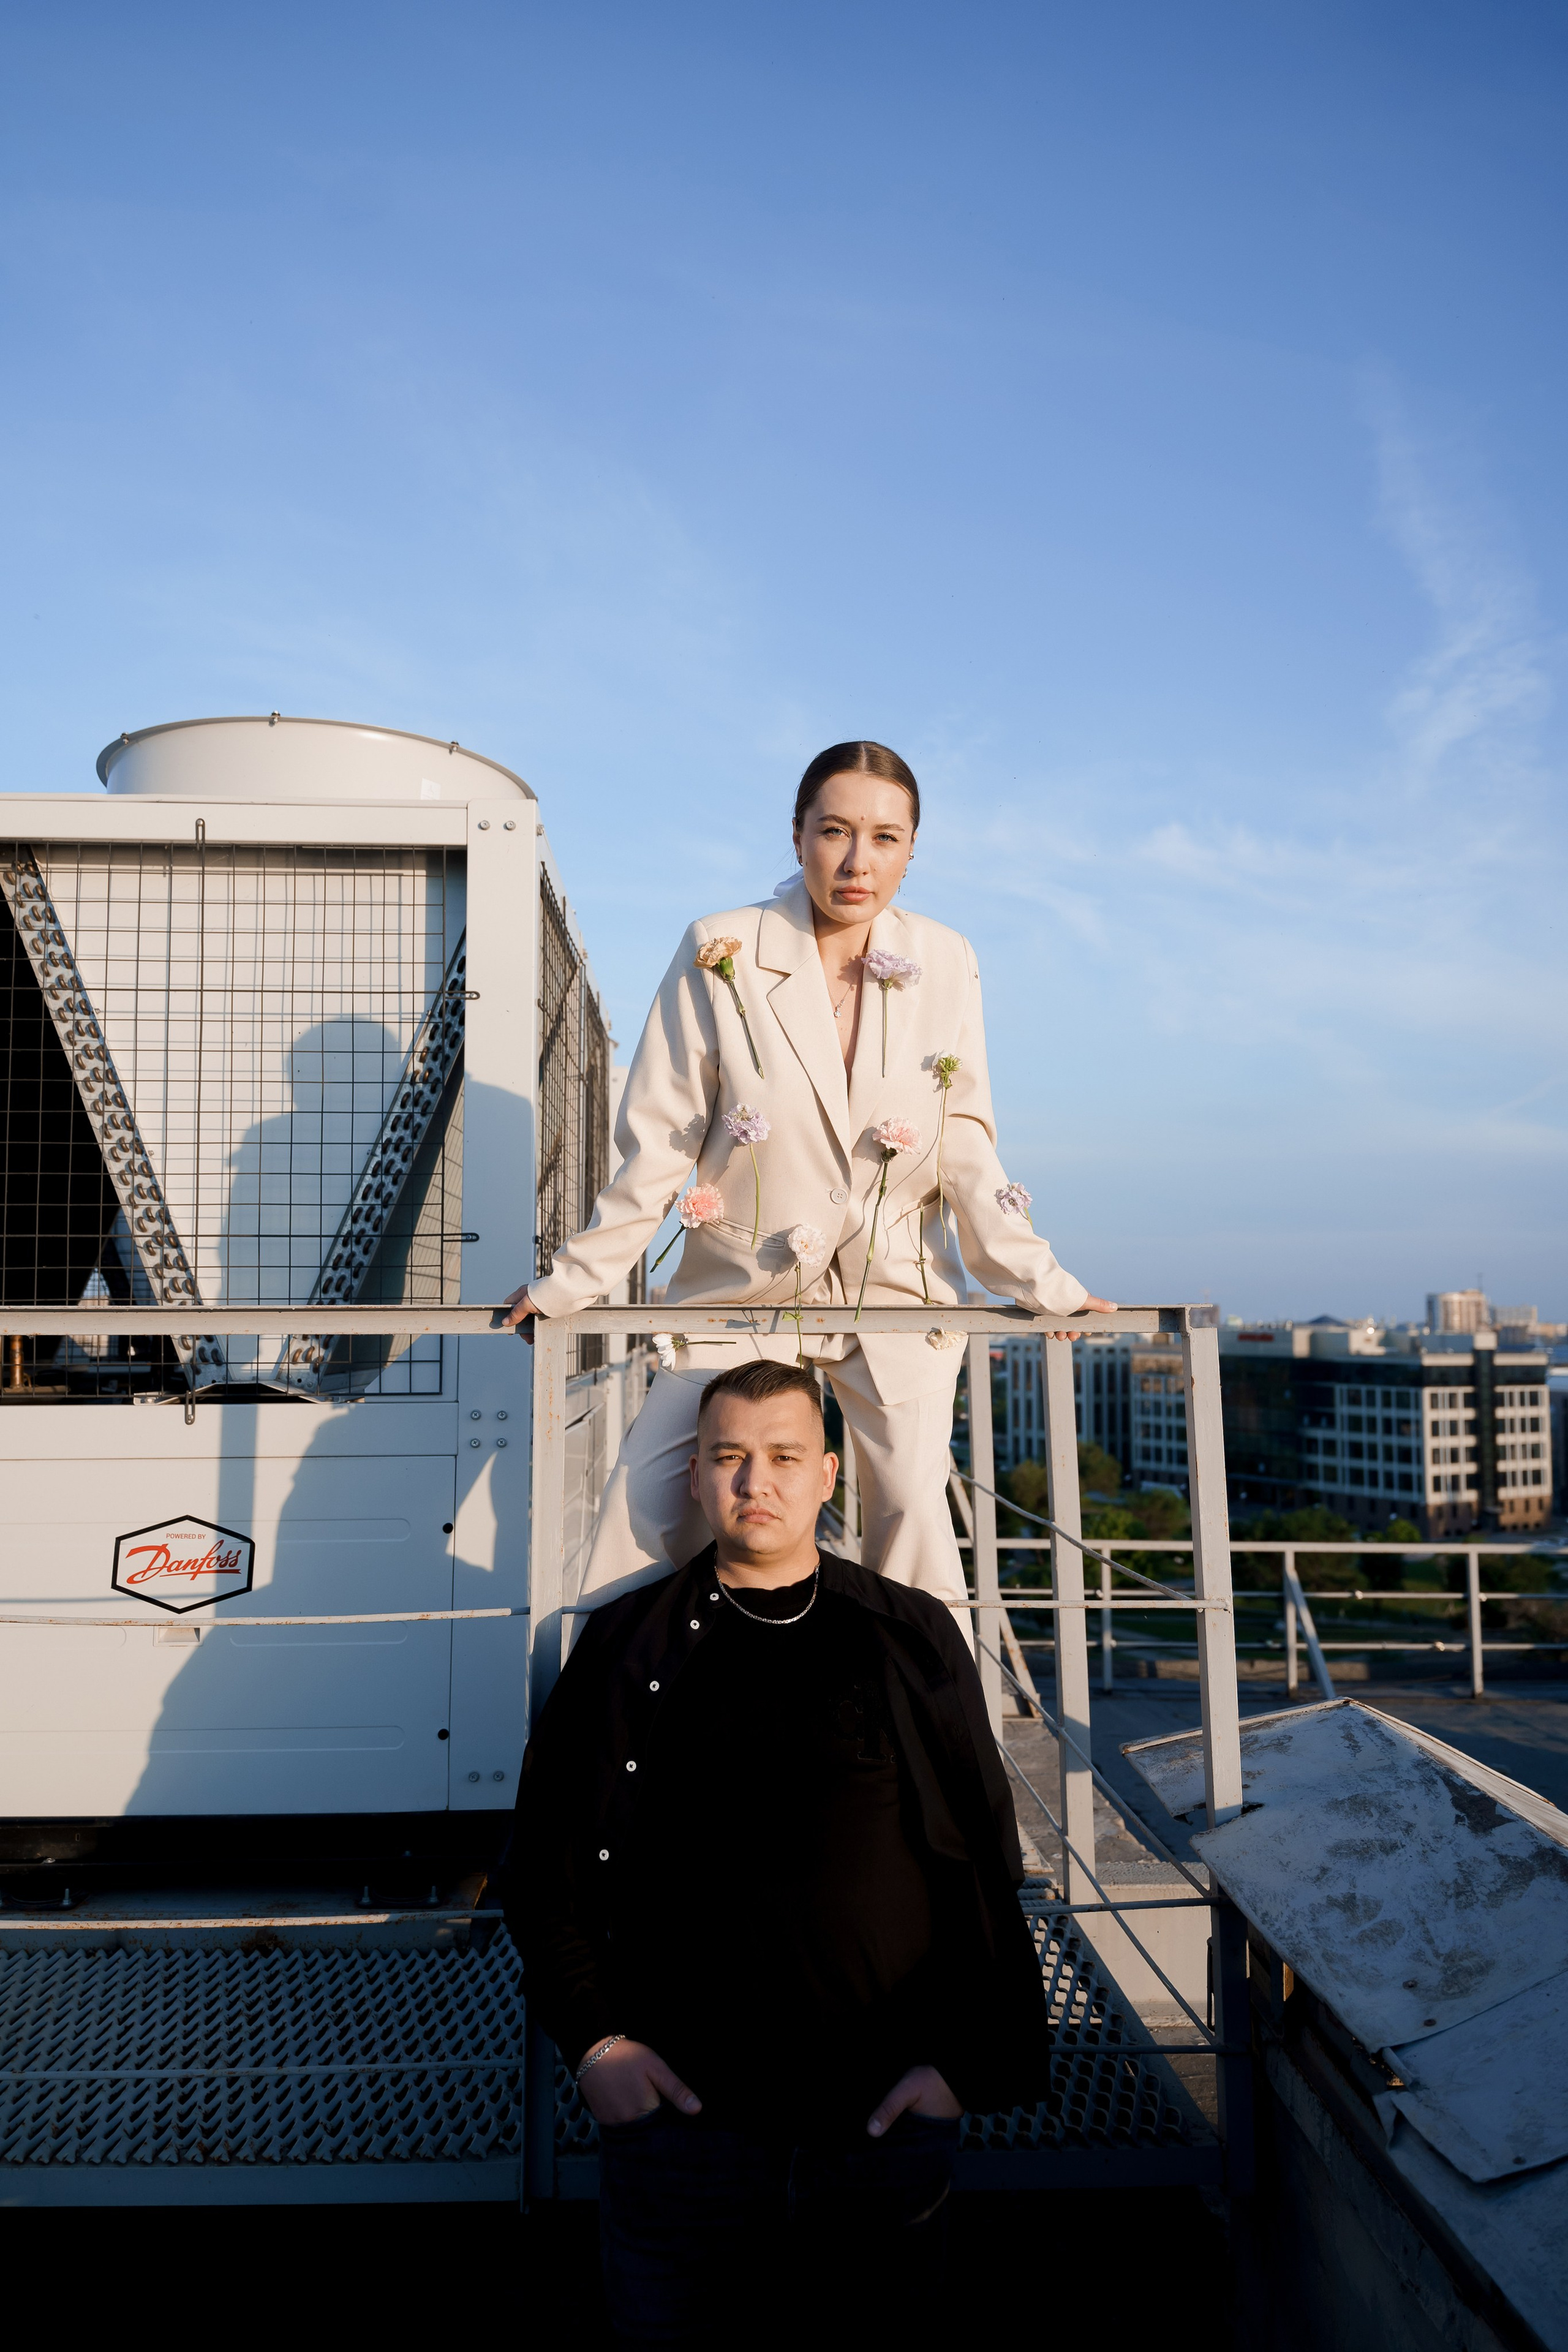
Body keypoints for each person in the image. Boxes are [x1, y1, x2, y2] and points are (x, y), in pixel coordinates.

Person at [503, 1357, 1050, 2345]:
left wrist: (963, 2069)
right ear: (700, 1474)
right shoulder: (628, 1646)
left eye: (784, 1457)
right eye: (730, 1457)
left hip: (880, 2116)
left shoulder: (912, 1633)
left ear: (829, 1475)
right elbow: (543, 1866)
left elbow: (983, 1855)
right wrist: (596, 2046)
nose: (757, 1482)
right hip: (681, 2124)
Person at [505, 739, 1112, 1614]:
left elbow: (964, 1139)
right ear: (797, 837)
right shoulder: (722, 947)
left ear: (912, 850)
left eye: (884, 838)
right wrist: (577, 1280)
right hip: (741, 1282)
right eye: (834, 831)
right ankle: (593, 1735)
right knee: (642, 1520)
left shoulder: (946, 959)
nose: (858, 861)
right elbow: (663, 1138)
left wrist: (1039, 1281)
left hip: (894, 1291)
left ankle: (936, 1744)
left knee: (914, 1535)